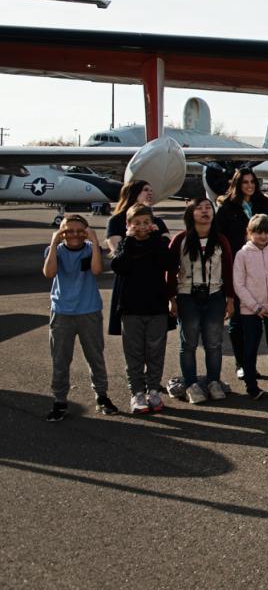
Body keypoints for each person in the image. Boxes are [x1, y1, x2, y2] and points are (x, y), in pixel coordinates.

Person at [43, 214, 117, 420]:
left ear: (86, 232)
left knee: (95, 356)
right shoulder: (55, 250)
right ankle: (59, 400)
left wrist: (93, 242)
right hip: (62, 312)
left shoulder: (89, 249)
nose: (74, 235)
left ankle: (102, 396)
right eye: (68, 231)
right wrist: (54, 241)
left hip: (88, 310)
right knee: (60, 358)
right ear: (61, 232)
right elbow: (49, 273)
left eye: (79, 231)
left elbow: (96, 270)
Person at [167, 198, 235, 404]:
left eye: (208, 208)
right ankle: (191, 384)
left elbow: (228, 271)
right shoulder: (180, 240)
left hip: (214, 295)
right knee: (188, 343)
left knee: (214, 343)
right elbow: (170, 271)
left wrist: (230, 299)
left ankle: (214, 381)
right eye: (199, 208)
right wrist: (171, 298)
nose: (205, 212)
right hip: (187, 295)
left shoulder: (221, 240)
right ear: (190, 213)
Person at [110, 203, 172, 414]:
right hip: (131, 308)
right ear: (128, 225)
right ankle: (137, 393)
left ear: (153, 224)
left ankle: (153, 390)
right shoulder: (125, 245)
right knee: (134, 354)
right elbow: (119, 266)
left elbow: (167, 263)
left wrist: (156, 238)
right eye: (136, 223)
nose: (142, 226)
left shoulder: (158, 243)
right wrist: (128, 239)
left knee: (156, 352)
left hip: (156, 307)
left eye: (146, 222)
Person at [215, 168, 268, 379]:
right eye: (245, 182)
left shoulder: (264, 205)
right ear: (238, 184)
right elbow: (220, 240)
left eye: (252, 182)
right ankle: (242, 363)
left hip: (263, 269)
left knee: (267, 321)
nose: (249, 185)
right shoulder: (226, 208)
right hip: (237, 268)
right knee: (238, 320)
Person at [233, 214, 268, 399]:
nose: (262, 236)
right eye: (258, 232)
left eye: (266, 232)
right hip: (250, 311)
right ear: (249, 233)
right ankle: (251, 385)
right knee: (251, 347)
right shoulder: (242, 255)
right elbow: (238, 284)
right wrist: (256, 307)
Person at [105, 180, 169, 340]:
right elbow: (116, 253)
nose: (150, 193)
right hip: (129, 285)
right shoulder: (116, 221)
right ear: (133, 193)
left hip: (154, 283)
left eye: (151, 190)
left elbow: (167, 250)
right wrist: (131, 240)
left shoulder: (158, 222)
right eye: (145, 190)